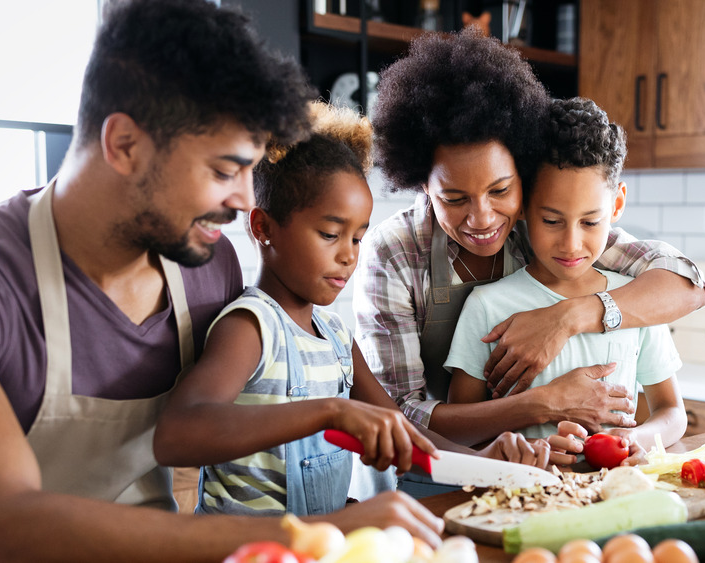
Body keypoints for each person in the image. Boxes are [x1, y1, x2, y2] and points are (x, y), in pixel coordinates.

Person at [0, 2, 433, 561]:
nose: (241, 203)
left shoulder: (208, 268)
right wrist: (311, 533)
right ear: (124, 145)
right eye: (222, 170)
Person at [153, 102, 549, 519]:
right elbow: (177, 435)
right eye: (330, 234)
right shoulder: (251, 327)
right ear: (263, 228)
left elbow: (406, 435)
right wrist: (329, 411)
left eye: (358, 238)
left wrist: (487, 462)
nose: (349, 256)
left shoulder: (336, 337)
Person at [355, 29, 705, 451]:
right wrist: (543, 404)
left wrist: (567, 318)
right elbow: (399, 415)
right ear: (422, 186)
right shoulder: (393, 254)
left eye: (500, 190)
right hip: (421, 473)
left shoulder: (546, 225)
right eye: (454, 197)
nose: (482, 218)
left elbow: (687, 284)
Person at [446, 98, 688, 465]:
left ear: (617, 205)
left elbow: (672, 412)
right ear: (524, 205)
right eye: (552, 221)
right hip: (523, 497)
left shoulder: (634, 300)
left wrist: (638, 438)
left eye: (590, 222)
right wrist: (519, 449)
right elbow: (459, 431)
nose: (572, 244)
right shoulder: (487, 306)